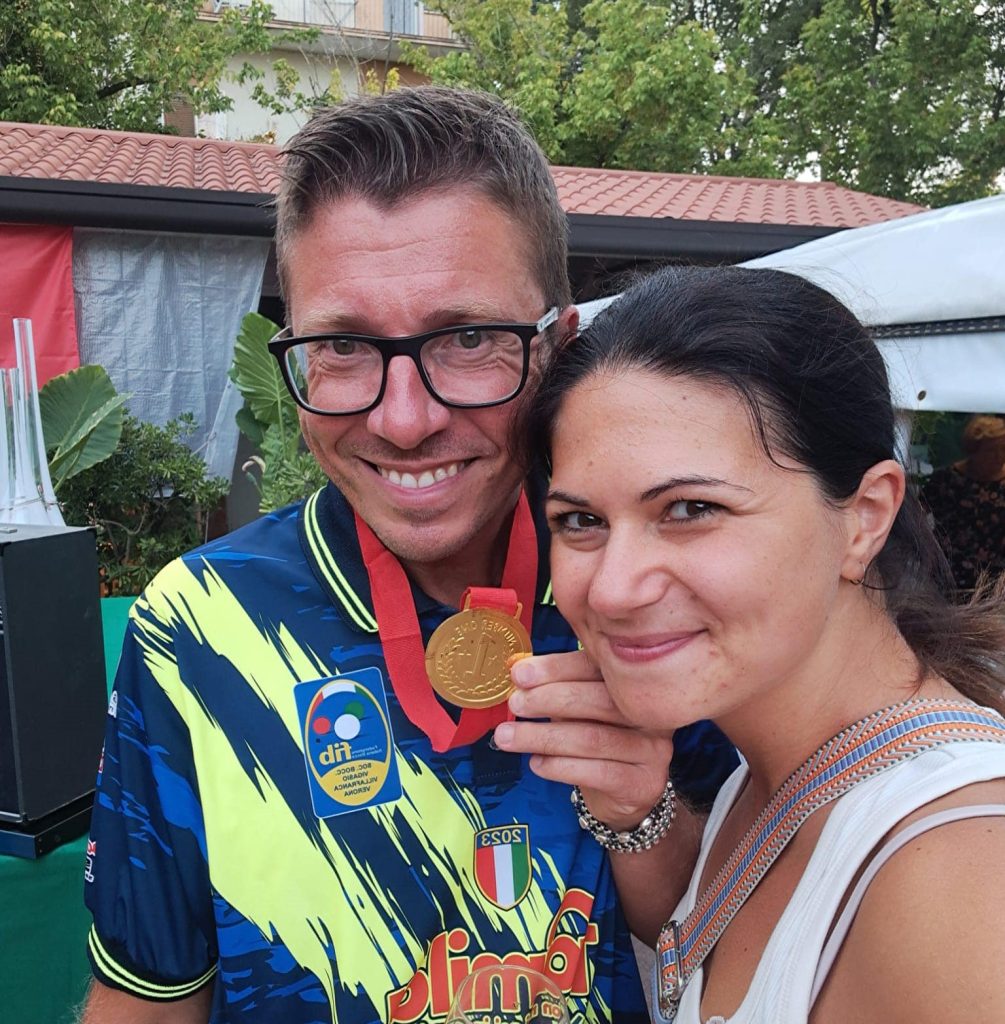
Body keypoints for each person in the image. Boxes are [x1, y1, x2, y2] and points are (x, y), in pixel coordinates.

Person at [79, 88, 736, 1024]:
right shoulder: (197, 625)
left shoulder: (655, 596)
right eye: (345, 345)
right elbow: (146, 997)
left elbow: (742, 952)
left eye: (467, 338)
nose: (403, 420)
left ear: (557, 349)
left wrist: (642, 815)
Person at [523, 265, 1005, 1024]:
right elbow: (722, 941)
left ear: (865, 517)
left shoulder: (963, 879)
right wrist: (635, 810)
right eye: (580, 521)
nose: (611, 590)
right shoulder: (779, 769)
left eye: (689, 509)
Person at [922, 412, 1005, 592]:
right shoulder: (946, 479)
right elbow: (918, 514)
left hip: (995, 582)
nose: (999, 456)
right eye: (992, 450)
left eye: (1003, 449)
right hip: (946, 573)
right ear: (974, 450)